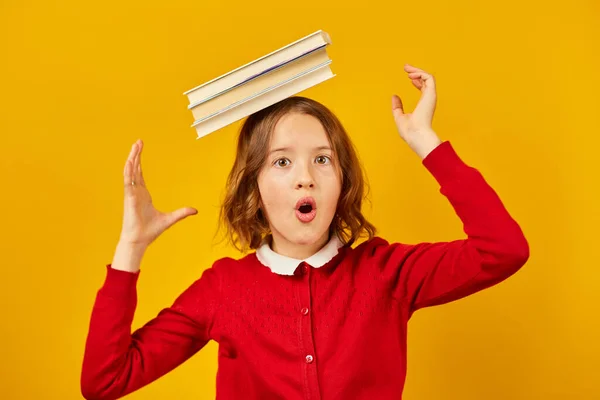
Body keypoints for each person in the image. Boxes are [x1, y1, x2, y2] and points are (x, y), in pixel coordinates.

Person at [80, 64, 529, 399]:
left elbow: (504, 250)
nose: (305, 177)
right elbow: (104, 380)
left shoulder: (386, 272)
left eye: (322, 159)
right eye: (282, 161)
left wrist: (426, 143)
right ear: (253, 187)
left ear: (342, 183)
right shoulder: (222, 289)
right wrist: (130, 248)